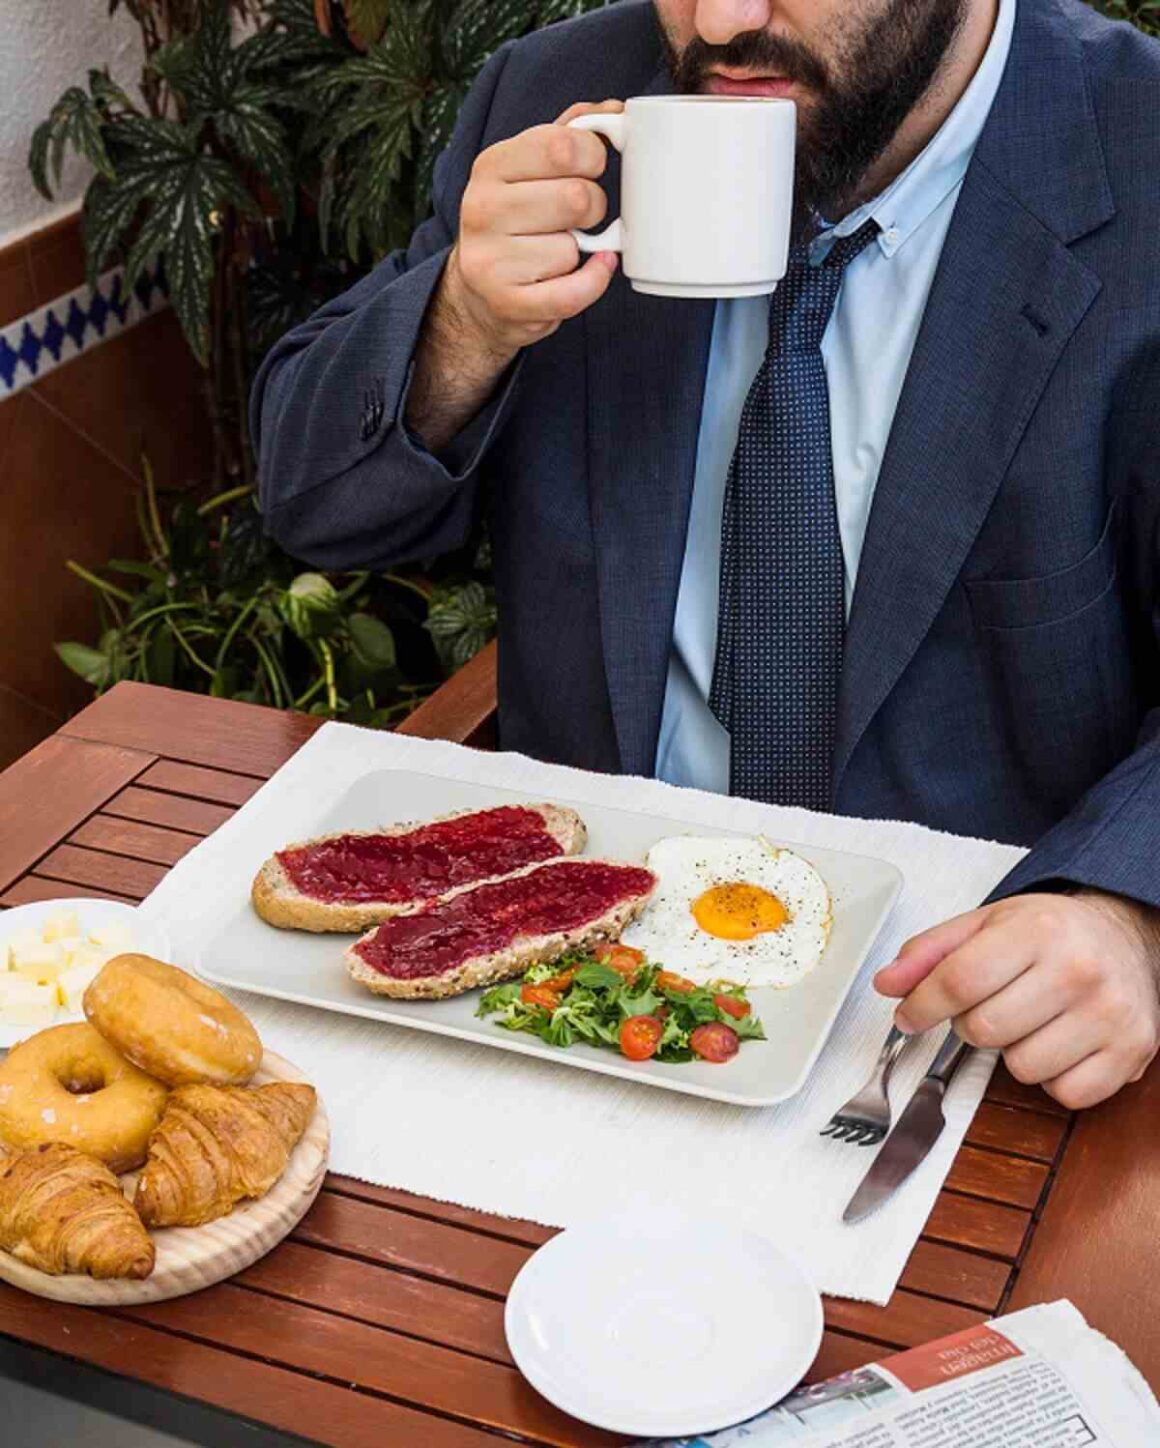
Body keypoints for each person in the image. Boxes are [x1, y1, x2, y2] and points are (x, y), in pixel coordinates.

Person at [251, 0, 1160, 1109]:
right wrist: (462, 324)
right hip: (572, 986)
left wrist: (1125, 910)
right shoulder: (560, 95)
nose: (717, 20)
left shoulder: (1136, 148)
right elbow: (317, 509)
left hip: (953, 1020)